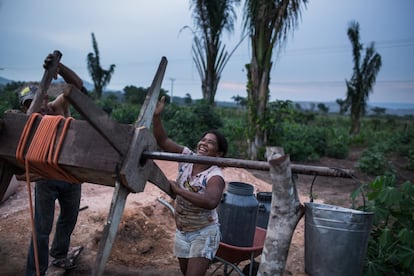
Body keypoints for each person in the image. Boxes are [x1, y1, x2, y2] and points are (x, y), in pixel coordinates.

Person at [21, 53, 86, 276]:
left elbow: (76, 85)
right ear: (24, 109)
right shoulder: (26, 125)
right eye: (29, 105)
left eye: (38, 101)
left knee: (69, 219)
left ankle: (59, 255)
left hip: (70, 176)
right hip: (45, 179)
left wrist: (59, 66)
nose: (36, 107)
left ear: (46, 98)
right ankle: (35, 271)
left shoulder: (57, 107)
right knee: (41, 229)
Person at [152, 96, 228, 276]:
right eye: (203, 140)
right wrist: (156, 117)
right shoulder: (187, 156)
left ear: (218, 154)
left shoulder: (214, 175)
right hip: (182, 231)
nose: (203, 143)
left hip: (204, 233)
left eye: (210, 143)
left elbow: (211, 201)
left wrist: (178, 190)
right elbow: (163, 141)